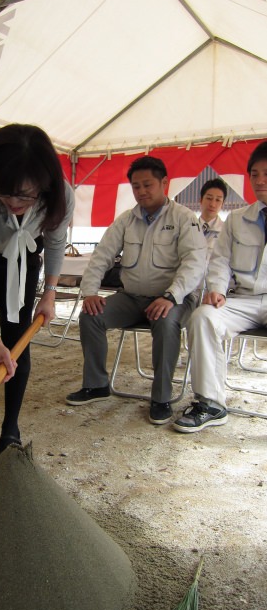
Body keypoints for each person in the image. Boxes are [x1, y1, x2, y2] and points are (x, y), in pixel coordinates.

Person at [0, 123, 75, 452]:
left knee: (18, 336)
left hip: (23, 256)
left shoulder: (60, 195)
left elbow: (55, 241)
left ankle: (10, 429)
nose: (12, 202)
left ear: (44, 183)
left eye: (24, 195)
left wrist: (49, 293)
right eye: (3, 192)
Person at [65, 155, 207, 425]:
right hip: (132, 297)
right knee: (91, 316)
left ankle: (161, 398)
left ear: (164, 183)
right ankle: (96, 385)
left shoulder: (184, 218)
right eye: (136, 186)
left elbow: (194, 263)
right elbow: (102, 255)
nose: (141, 192)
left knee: (166, 324)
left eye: (147, 185)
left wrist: (171, 296)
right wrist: (90, 291)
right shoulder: (126, 220)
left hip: (173, 299)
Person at [173, 141, 267, 433]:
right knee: (202, 317)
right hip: (244, 301)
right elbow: (221, 261)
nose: (260, 180)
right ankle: (211, 403)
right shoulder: (238, 219)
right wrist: (217, 290)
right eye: (254, 174)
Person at [199, 177, 227, 262]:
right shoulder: (187, 227)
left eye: (218, 200)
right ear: (200, 200)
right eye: (209, 198)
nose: (213, 204)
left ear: (222, 204)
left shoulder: (227, 231)